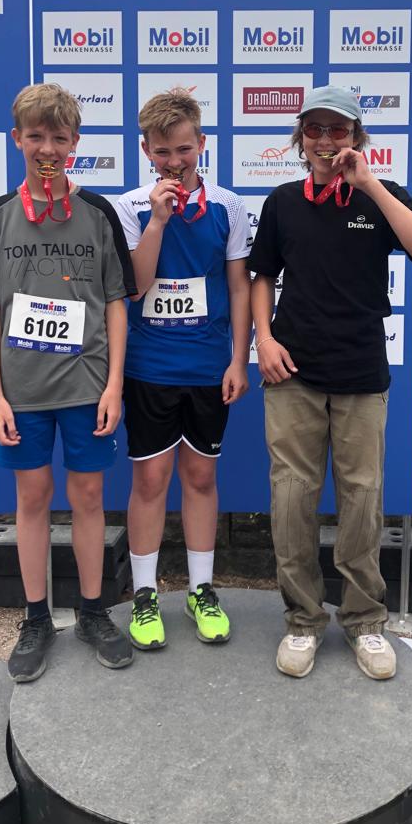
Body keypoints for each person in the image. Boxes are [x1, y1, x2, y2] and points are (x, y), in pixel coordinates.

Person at [246, 85, 412, 680]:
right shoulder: (282, 202)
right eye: (315, 129)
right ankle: (303, 620)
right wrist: (264, 340)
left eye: (338, 129)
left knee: (362, 500)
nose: (326, 140)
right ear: (300, 138)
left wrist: (370, 185)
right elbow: (261, 276)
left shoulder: (382, 196)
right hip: (292, 374)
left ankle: (364, 620)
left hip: (360, 374)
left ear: (356, 137)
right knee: (291, 499)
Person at [0, 83, 137, 681]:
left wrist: (114, 385)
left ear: (75, 142)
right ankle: (36, 617)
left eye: (59, 138)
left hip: (87, 386)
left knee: (88, 498)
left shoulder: (98, 213)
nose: (48, 149)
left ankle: (93, 612)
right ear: (18, 140)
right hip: (23, 391)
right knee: (32, 498)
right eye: (36, 136)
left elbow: (116, 303)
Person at [116, 89, 252, 650]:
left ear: (202, 144)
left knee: (200, 478)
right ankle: (145, 594)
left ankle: (201, 589)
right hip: (149, 366)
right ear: (146, 151)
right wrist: (157, 219)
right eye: (163, 152)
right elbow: (135, 286)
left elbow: (239, 287)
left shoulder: (229, 206)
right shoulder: (128, 207)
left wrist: (238, 359)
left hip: (207, 366)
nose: (174, 162)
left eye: (184, 149)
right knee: (150, 480)